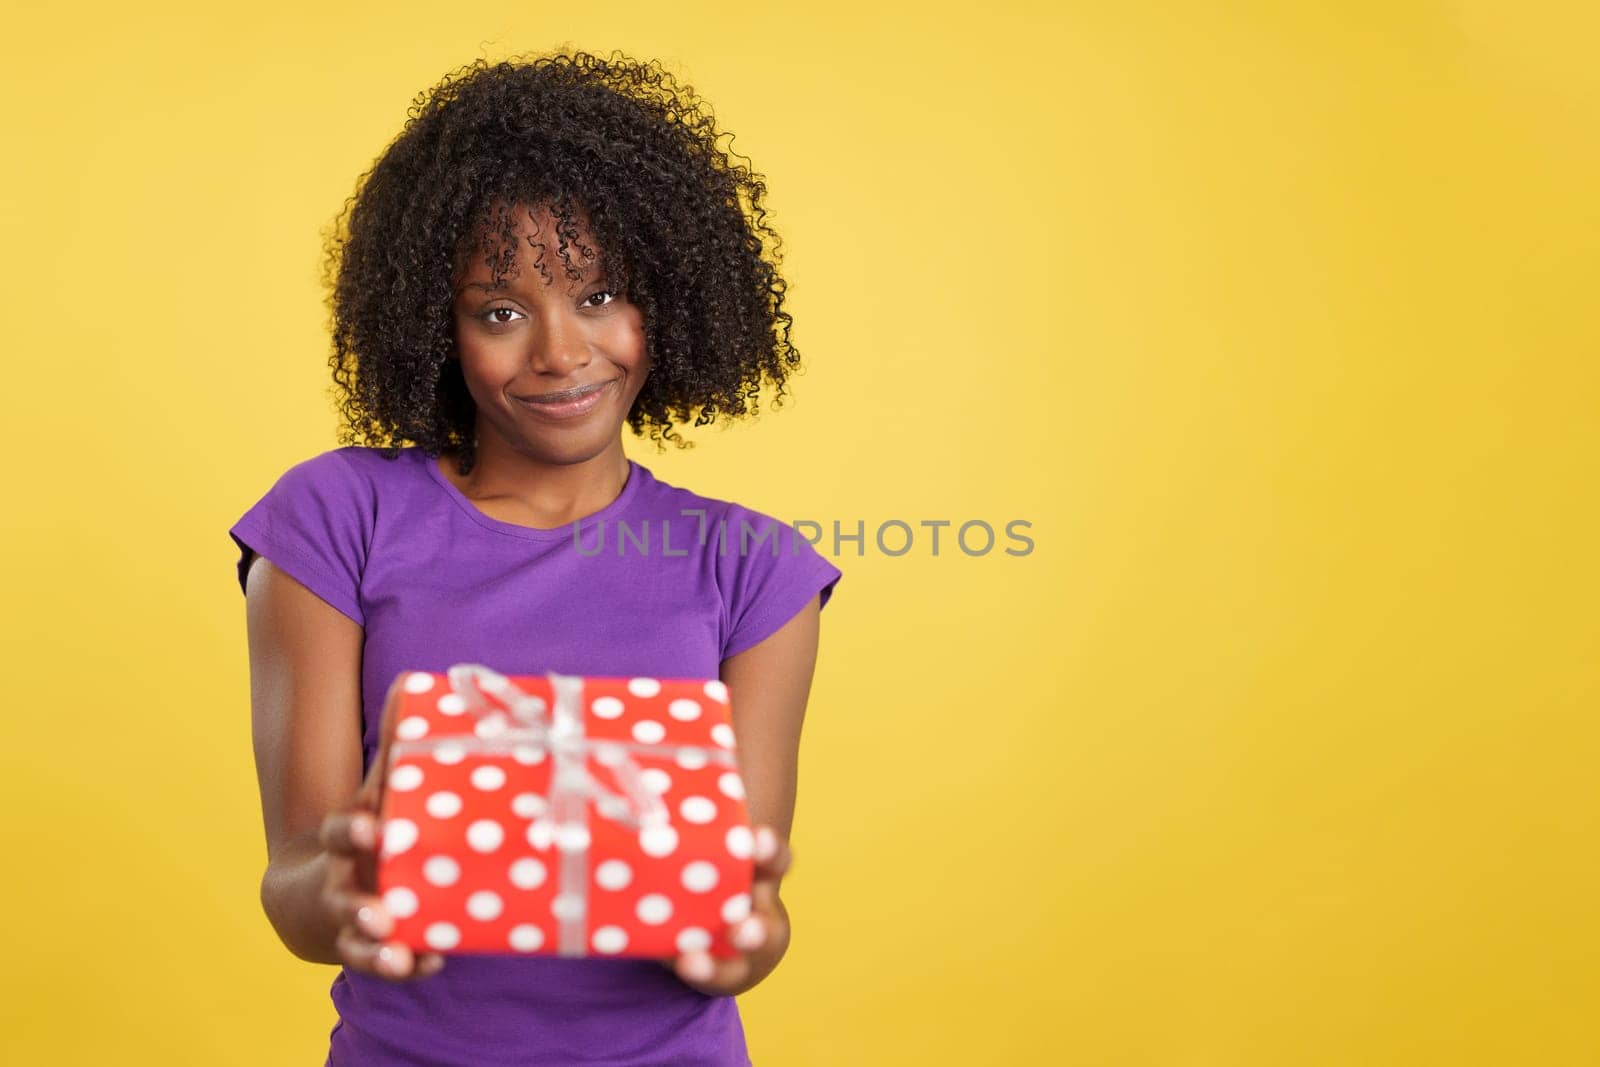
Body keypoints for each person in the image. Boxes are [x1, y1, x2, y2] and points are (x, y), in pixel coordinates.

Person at [229, 49, 841, 1066]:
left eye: (600, 295)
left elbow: (744, 917)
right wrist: (347, 886)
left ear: (670, 302)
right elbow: (295, 886)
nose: (560, 351)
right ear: (437, 326)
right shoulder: (335, 519)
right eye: (500, 310)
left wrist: (747, 933)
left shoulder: (754, 568)